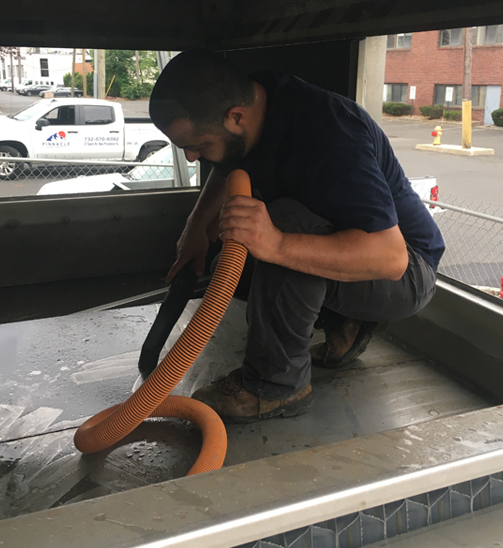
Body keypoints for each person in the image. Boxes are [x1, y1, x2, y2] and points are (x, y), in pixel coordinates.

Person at [149, 49, 444, 424]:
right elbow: (229, 163)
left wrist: (277, 244)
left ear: (236, 117)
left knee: (277, 224)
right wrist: (196, 227)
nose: (192, 158)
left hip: (406, 273)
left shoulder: (328, 135)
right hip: (354, 248)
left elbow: (390, 257)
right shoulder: (259, 98)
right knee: (245, 231)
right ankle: (346, 322)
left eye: (199, 146)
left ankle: (275, 386)